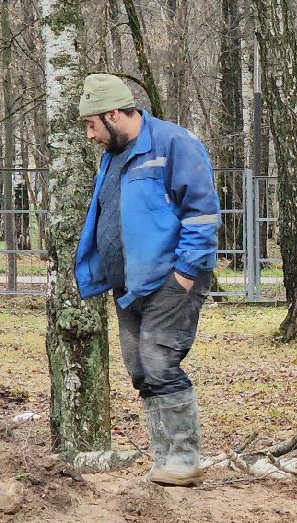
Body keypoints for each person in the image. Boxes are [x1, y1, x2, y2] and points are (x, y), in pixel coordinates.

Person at [72, 74, 221, 486]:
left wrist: (187, 273)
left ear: (115, 114)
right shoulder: (114, 155)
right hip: (129, 284)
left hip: (171, 280)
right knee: (140, 369)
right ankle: (165, 461)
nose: (90, 135)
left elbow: (202, 212)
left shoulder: (174, 144)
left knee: (160, 361)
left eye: (92, 125)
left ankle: (184, 459)